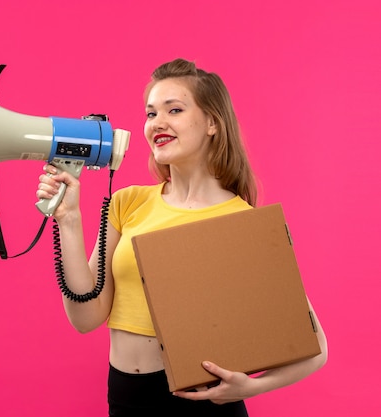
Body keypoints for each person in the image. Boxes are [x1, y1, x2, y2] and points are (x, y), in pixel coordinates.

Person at [35, 58, 328, 416]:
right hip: (125, 398)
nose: (157, 123)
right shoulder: (128, 202)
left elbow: (316, 348)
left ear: (211, 123)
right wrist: (69, 220)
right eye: (150, 113)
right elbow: (86, 318)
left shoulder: (243, 221)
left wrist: (249, 387)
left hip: (202, 405)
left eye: (174, 109)